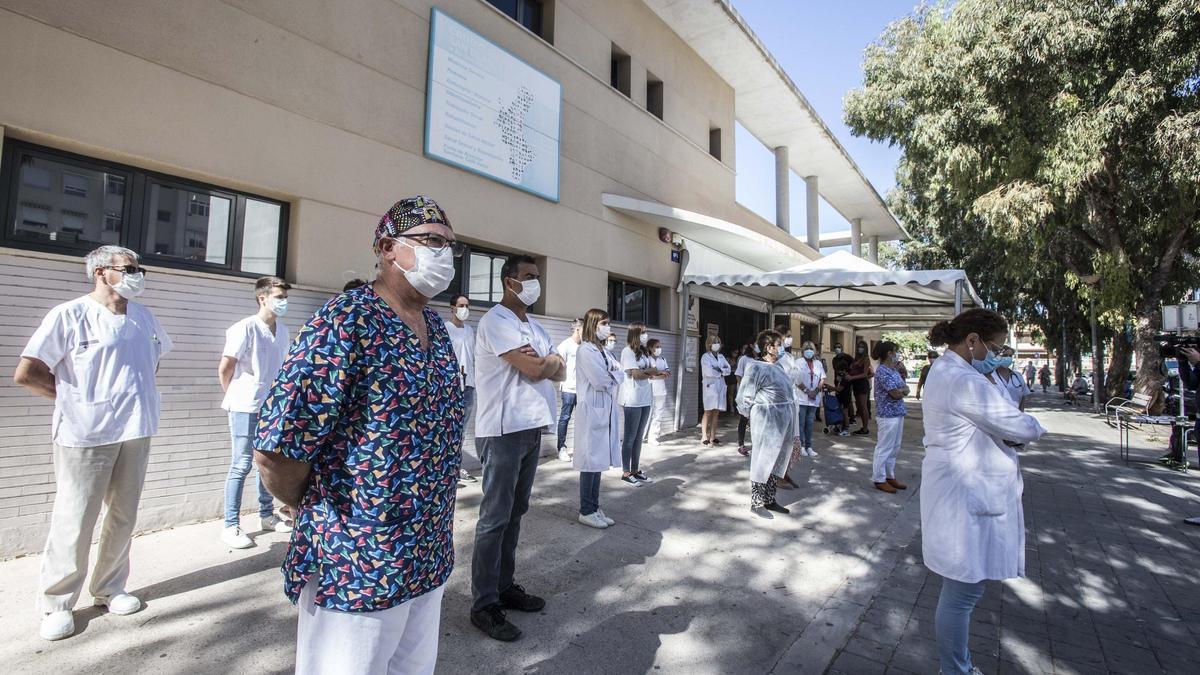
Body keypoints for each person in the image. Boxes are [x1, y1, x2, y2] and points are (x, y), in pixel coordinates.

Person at [253, 197, 464, 674]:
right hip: (358, 562)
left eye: (451, 244)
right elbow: (277, 449)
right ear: (388, 248)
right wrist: (310, 505)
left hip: (426, 554)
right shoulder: (346, 320)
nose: (445, 253)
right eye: (432, 240)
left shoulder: (434, 326)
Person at [15, 245, 172, 642]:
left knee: (123, 515)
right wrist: (74, 399)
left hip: (135, 429)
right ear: (101, 272)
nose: (138, 275)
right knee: (75, 517)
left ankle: (110, 587)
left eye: (139, 268)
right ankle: (56, 602)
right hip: (85, 434)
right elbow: (28, 373)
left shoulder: (145, 318)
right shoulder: (70, 315)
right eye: (130, 268)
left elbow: (148, 365)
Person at [921, 309, 1046, 675]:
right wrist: (1036, 426)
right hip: (964, 493)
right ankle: (955, 669)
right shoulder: (963, 380)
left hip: (959, 487)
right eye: (995, 347)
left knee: (962, 590)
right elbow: (1017, 424)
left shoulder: (953, 372)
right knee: (962, 593)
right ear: (972, 340)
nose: (998, 355)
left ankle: (956, 667)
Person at [470, 254, 566, 642]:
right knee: (494, 518)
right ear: (509, 281)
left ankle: (505, 586)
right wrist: (545, 362)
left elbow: (558, 369)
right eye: (528, 277)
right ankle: (484, 604)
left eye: (538, 277)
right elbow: (535, 369)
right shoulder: (496, 321)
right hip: (503, 430)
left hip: (529, 429)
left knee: (515, 513)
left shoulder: (534, 326)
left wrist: (548, 361)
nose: (534, 283)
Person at [217, 276, 293, 550]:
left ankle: (266, 516)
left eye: (285, 297)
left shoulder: (281, 331)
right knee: (241, 464)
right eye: (279, 297)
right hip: (245, 406)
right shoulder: (244, 328)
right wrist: (236, 395)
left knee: (268, 462)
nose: (284, 302)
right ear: (262, 298)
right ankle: (230, 525)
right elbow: (226, 367)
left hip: (271, 407)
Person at [735, 330, 797, 519]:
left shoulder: (778, 367)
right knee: (762, 460)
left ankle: (770, 499)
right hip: (766, 421)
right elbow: (744, 397)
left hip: (783, 421)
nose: (782, 348)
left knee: (777, 460)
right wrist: (751, 420)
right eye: (779, 344)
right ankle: (757, 502)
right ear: (769, 347)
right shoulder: (755, 367)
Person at [573, 309, 624, 529]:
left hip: (603, 408)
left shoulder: (602, 351)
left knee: (598, 462)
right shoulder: (586, 350)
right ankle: (586, 510)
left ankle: (594, 506)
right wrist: (613, 376)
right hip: (592, 409)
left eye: (609, 323)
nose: (608, 327)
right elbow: (601, 380)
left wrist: (613, 376)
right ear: (594, 325)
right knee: (590, 461)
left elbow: (619, 373)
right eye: (604, 323)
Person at [619, 322, 657, 485]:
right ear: (635, 334)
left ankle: (635, 470)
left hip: (645, 398)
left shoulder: (644, 352)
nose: (645, 335)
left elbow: (652, 370)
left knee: (639, 437)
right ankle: (626, 472)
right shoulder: (627, 352)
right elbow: (635, 374)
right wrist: (650, 372)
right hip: (632, 399)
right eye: (643, 332)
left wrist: (649, 372)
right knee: (630, 437)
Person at [447, 294, 479, 483]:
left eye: (467, 305)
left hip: (468, 385)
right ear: (452, 308)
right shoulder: (446, 329)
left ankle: (457, 467)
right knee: (449, 427)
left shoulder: (469, 330)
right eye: (461, 305)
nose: (464, 309)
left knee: (462, 429)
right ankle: (447, 467)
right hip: (452, 384)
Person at [870, 341, 910, 494]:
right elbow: (895, 393)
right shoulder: (882, 371)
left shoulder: (893, 370)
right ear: (889, 353)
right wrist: (902, 391)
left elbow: (905, 388)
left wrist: (902, 391)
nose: (897, 354)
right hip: (887, 415)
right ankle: (879, 478)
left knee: (894, 447)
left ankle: (889, 475)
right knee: (884, 447)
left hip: (898, 413)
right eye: (896, 351)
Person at [555, 319, 584, 462]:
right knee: (565, 417)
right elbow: (558, 368)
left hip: (583, 389)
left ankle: (580, 448)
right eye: (584, 329)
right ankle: (562, 448)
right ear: (577, 329)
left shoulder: (585, 346)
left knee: (582, 419)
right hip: (568, 388)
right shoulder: (565, 346)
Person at [793, 340, 825, 458]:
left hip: (813, 398)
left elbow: (822, 379)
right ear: (803, 351)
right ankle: (801, 446)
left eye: (811, 349)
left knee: (810, 423)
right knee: (801, 423)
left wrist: (815, 391)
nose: (809, 351)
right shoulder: (798, 362)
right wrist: (807, 391)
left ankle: (809, 446)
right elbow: (796, 380)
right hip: (802, 397)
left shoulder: (818, 363)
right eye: (806, 349)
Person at [700, 335, 732, 446]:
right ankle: (704, 436)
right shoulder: (705, 357)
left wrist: (720, 370)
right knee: (708, 411)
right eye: (714, 342)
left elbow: (728, 369)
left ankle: (713, 436)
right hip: (710, 386)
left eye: (718, 341)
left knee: (716, 412)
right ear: (709, 344)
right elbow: (708, 371)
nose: (717, 344)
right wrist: (721, 371)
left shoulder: (721, 357)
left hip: (720, 386)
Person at [643, 338, 671, 445]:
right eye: (657, 347)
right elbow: (650, 376)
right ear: (650, 348)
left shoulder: (662, 359)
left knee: (658, 415)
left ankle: (653, 437)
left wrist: (657, 375)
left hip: (661, 391)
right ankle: (642, 436)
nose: (659, 349)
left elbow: (668, 373)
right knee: (647, 414)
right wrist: (660, 373)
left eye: (660, 346)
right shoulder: (647, 360)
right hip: (650, 390)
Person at [847, 341, 874, 435]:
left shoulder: (866, 359)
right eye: (859, 346)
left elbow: (865, 374)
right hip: (855, 384)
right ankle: (863, 427)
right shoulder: (856, 359)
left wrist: (852, 377)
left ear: (865, 348)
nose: (860, 348)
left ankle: (866, 429)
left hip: (862, 384)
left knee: (863, 407)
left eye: (862, 347)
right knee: (859, 406)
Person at [734, 343, 756, 456]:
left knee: (756, 421)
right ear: (751, 345)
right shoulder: (744, 359)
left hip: (757, 395)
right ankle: (741, 445)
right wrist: (743, 390)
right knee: (744, 419)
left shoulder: (760, 359)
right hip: (746, 395)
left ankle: (756, 444)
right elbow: (738, 375)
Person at [831, 344, 856, 425]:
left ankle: (851, 419)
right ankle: (842, 420)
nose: (837, 349)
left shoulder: (847, 357)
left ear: (841, 348)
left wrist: (849, 374)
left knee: (847, 401)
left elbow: (854, 364)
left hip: (845, 381)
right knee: (840, 401)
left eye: (838, 347)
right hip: (838, 381)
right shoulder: (834, 359)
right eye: (835, 347)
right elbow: (835, 369)